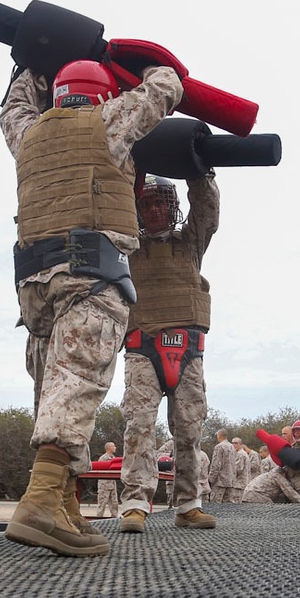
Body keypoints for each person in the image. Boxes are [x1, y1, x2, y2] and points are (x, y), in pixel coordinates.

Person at [0, 60, 183, 557]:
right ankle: (39, 502)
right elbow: (166, 87)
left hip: (36, 284)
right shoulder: (108, 119)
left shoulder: (27, 132)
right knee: (78, 386)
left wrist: (30, 66)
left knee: (51, 389)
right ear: (102, 95)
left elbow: (13, 105)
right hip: (91, 274)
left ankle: (64, 508)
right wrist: (145, 64)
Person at [118, 171, 219, 533]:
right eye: (147, 203)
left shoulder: (190, 243)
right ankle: (134, 503)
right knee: (139, 426)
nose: (155, 209)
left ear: (173, 206)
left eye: (161, 201)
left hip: (188, 347)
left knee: (190, 429)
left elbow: (207, 210)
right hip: (142, 346)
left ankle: (189, 503)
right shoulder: (126, 247)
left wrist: (201, 173)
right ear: (136, 210)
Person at [208, 429, 235, 503]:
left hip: (220, 481)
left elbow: (216, 464)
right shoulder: (232, 447)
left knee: (215, 504)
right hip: (230, 480)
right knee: (228, 506)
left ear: (219, 436)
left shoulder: (219, 447)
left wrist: (211, 479)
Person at [96, 442, 119, 518]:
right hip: (104, 485)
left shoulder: (114, 458)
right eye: (113, 446)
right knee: (102, 504)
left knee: (114, 504)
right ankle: (98, 519)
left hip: (112, 484)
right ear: (109, 448)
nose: (115, 448)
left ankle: (114, 518)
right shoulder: (103, 458)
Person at [229, 437, 250, 503]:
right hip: (241, 483)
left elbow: (238, 469)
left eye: (236, 443)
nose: (234, 445)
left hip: (239, 484)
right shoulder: (241, 453)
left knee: (236, 504)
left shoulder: (240, 454)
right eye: (232, 443)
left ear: (240, 444)